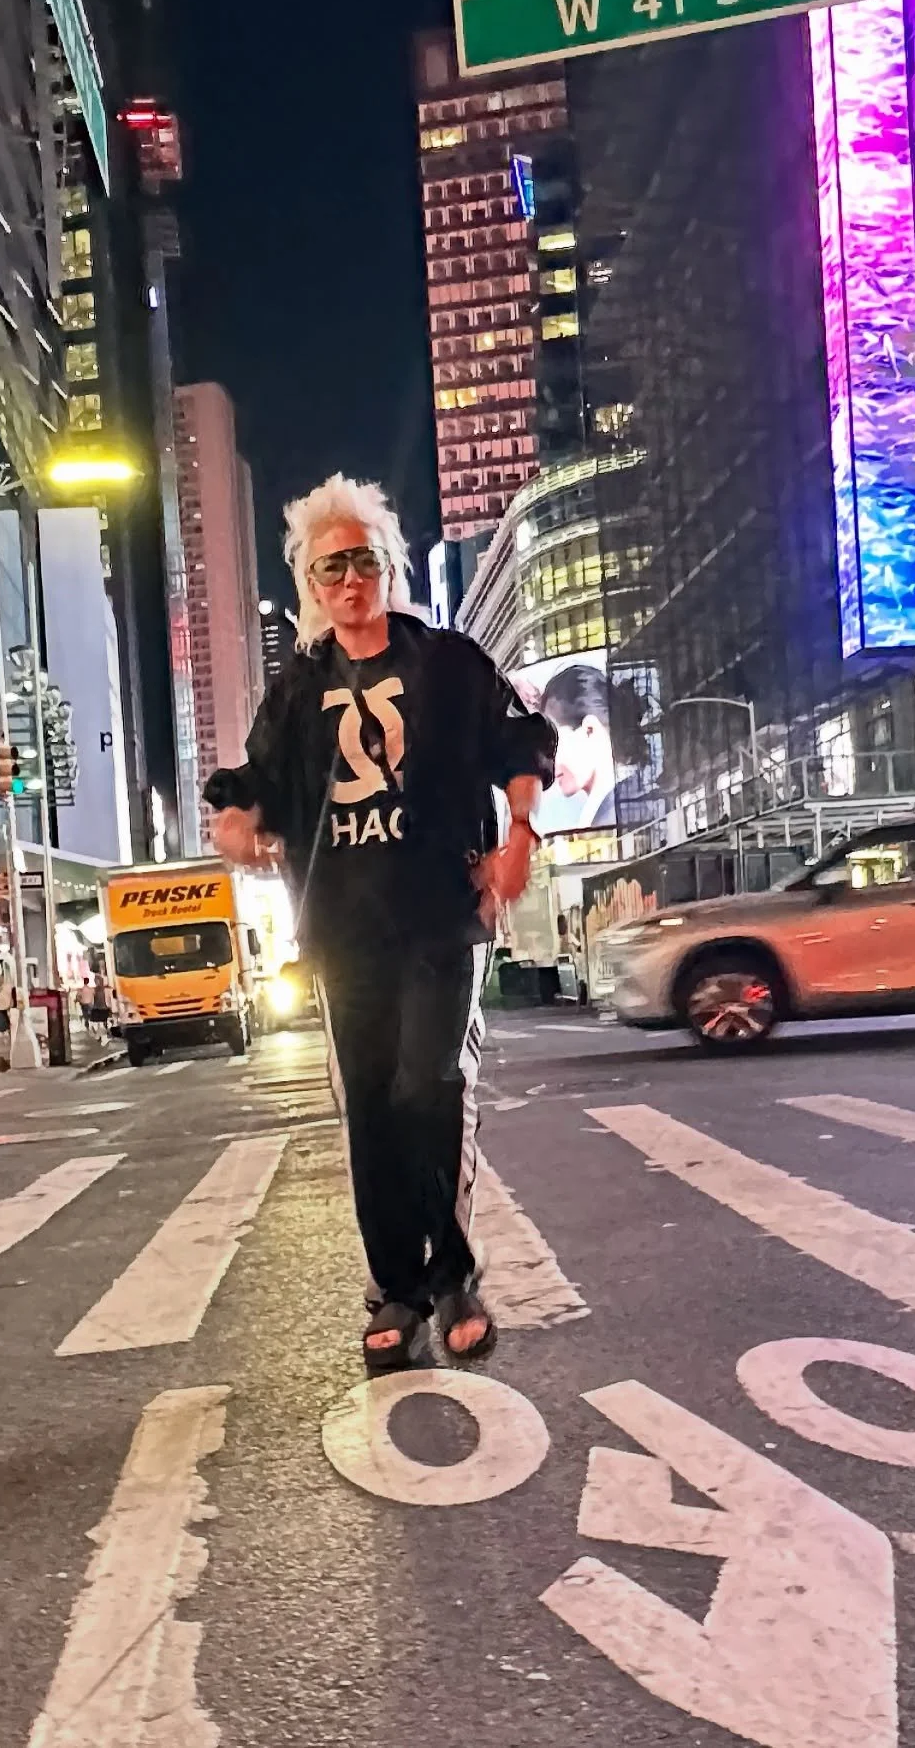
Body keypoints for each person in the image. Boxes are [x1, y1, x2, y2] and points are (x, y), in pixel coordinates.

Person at [205, 474, 554, 1375]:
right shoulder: (297, 689)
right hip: (344, 929)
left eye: (363, 561)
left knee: (428, 1086)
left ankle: (452, 1278)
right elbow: (258, 783)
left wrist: (519, 835)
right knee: (368, 1106)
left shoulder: (448, 662)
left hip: (440, 915)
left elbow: (519, 742)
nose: (350, 581)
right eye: (331, 569)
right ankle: (395, 1285)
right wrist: (237, 822)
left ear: (388, 568)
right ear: (311, 587)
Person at [541, 664, 618, 828]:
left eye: (551, 744)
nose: (545, 761)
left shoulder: (613, 817)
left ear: (589, 730)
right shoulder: (611, 810)